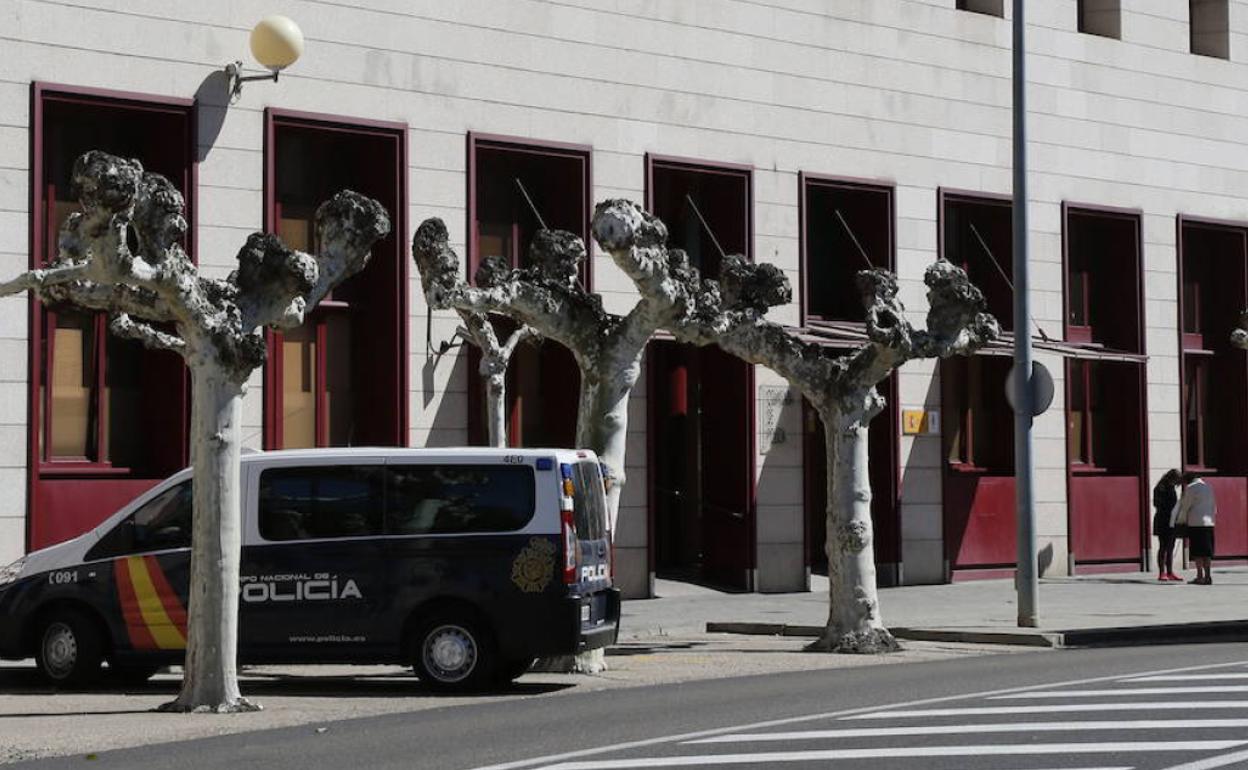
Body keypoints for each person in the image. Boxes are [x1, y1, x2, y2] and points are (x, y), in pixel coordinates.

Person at [1175, 471, 1218, 585]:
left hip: (1196, 522)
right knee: (1207, 551)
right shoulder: (1208, 487)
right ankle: (1208, 576)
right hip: (1209, 522)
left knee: (1198, 552)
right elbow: (1214, 505)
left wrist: (1181, 520)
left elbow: (1186, 506)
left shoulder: (1191, 488)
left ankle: (1200, 576)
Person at [1152, 469, 1181, 582]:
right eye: (1176, 480)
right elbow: (1156, 503)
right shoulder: (1160, 488)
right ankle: (1161, 573)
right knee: (1163, 546)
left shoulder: (1171, 487)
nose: (1176, 483)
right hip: (1163, 520)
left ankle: (1170, 572)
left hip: (1172, 520)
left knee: (1171, 547)